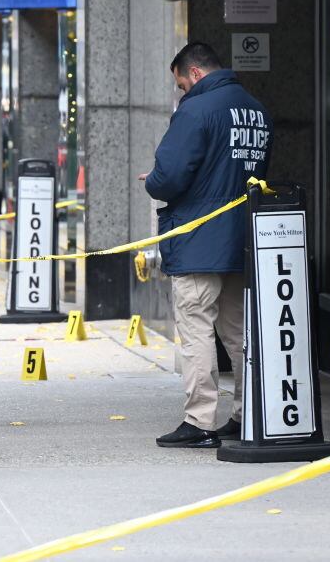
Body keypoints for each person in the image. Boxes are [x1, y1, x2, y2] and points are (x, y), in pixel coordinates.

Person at [140, 42, 273, 449]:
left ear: (194, 74)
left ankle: (199, 420)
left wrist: (151, 180)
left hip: (199, 237)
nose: (182, 92)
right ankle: (248, 411)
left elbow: (169, 176)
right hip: (243, 237)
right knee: (238, 331)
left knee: (196, 328)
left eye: (181, 84)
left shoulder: (196, 109)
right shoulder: (255, 110)